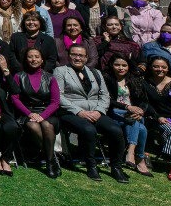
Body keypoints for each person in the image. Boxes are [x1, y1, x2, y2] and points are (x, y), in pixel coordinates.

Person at [54, 44, 128, 183]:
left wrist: (99, 111)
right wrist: (80, 112)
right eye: (74, 54)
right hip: (71, 112)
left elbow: (104, 95)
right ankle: (91, 165)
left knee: (115, 130)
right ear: (69, 56)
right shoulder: (60, 71)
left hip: (96, 111)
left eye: (81, 55)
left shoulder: (95, 72)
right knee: (88, 130)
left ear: (86, 58)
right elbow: (59, 96)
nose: (77, 58)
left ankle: (116, 167)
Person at [11, 48, 61, 178]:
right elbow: (14, 98)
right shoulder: (18, 76)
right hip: (26, 113)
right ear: (26, 60)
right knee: (33, 125)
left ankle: (49, 161)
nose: (34, 59)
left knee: (46, 125)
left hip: (47, 113)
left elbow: (55, 102)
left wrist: (42, 116)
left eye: (37, 57)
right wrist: (29, 114)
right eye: (30, 57)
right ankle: (51, 158)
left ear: (42, 59)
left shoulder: (51, 78)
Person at [104, 52, 152, 176]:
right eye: (117, 65)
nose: (121, 68)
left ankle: (131, 151)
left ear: (128, 66)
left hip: (130, 114)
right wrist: (128, 107)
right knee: (141, 128)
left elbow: (144, 100)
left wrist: (141, 111)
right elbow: (107, 100)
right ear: (112, 65)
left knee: (137, 122)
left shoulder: (134, 79)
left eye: (124, 65)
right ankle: (138, 158)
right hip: (113, 112)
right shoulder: (106, 78)